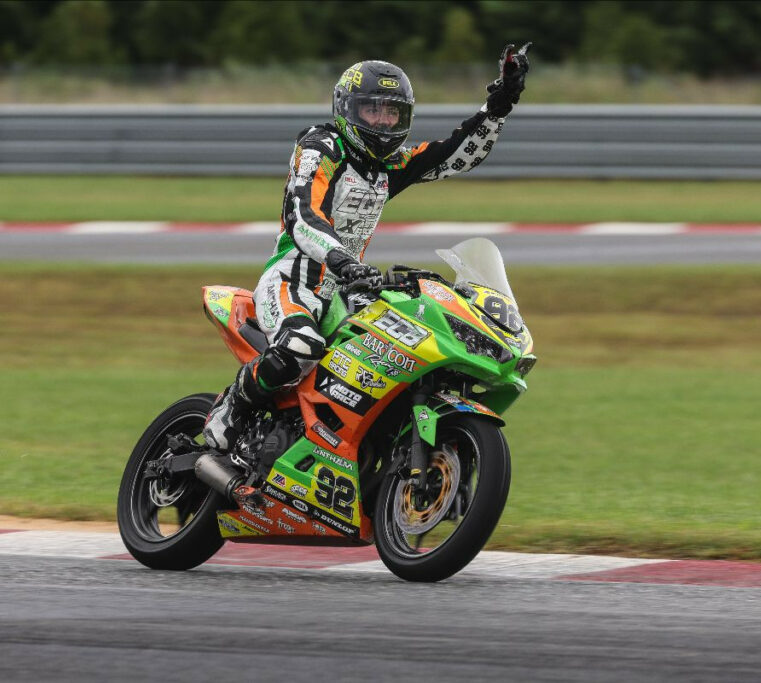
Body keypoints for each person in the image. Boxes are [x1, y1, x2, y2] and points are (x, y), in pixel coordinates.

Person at [202, 44, 531, 457]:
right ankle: (231, 409)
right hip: (293, 280)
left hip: (347, 289)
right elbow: (303, 215)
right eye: (373, 110)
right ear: (348, 109)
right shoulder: (322, 146)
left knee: (398, 354)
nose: (383, 120)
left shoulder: (389, 165)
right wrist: (342, 259)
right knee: (299, 345)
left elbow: (455, 155)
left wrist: (499, 105)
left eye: (392, 112)